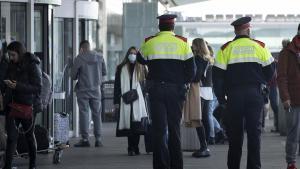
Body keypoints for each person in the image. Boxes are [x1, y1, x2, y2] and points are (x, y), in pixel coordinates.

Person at [213, 16, 275, 169]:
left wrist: (222, 100)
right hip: (255, 94)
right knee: (254, 134)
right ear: (248, 30)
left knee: (235, 136)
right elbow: (271, 71)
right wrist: (261, 82)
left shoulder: (225, 49)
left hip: (234, 96)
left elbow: (217, 78)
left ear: (235, 30)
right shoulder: (260, 46)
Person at [137, 14, 195, 169]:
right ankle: (176, 165)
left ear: (159, 27)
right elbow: (192, 70)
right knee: (174, 129)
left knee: (159, 130)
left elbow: (140, 59)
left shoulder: (150, 42)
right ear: (173, 26)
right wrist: (183, 83)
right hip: (176, 91)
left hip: (156, 90)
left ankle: (161, 165)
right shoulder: (182, 43)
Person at [3, 41, 42, 169]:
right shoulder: (11, 64)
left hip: (28, 106)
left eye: (13, 55)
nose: (11, 58)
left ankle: (33, 164)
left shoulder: (32, 65)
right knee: (11, 137)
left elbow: (37, 87)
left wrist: (17, 86)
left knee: (29, 136)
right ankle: (7, 166)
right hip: (13, 105)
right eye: (9, 55)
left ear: (20, 53)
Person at [71, 40, 107, 147]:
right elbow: (104, 72)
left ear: (81, 48)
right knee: (97, 114)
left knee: (84, 113)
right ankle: (98, 139)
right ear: (89, 47)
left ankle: (85, 139)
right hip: (96, 90)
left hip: (83, 90)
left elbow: (73, 76)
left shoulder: (79, 58)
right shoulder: (100, 57)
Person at [114, 46, 148, 156]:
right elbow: (117, 86)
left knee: (136, 124)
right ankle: (130, 148)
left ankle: (136, 147)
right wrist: (116, 101)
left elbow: (146, 83)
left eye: (134, 53)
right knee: (129, 125)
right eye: (131, 53)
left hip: (138, 100)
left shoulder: (142, 67)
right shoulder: (121, 68)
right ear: (127, 54)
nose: (132, 55)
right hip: (126, 99)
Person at [277, 24, 300, 169]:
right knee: (293, 133)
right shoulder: (287, 52)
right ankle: (291, 162)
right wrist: (285, 97)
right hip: (294, 100)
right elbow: (282, 77)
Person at [190, 38, 210, 158]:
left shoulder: (197, 59)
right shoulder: (206, 58)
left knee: (198, 119)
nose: (191, 47)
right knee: (204, 118)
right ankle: (205, 144)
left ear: (197, 46)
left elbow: (197, 76)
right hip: (206, 91)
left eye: (193, 45)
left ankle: (204, 146)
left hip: (199, 90)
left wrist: (188, 79)